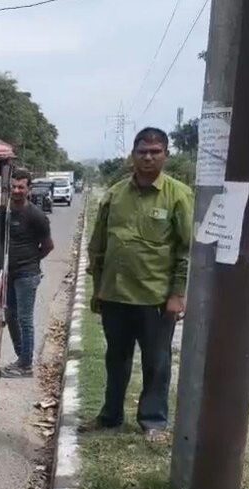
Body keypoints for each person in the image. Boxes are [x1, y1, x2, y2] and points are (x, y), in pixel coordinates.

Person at [82, 127, 193, 444]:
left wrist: (177, 294)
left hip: (155, 299)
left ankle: (153, 421)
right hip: (116, 294)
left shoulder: (179, 195)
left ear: (165, 156)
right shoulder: (115, 194)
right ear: (132, 154)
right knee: (115, 359)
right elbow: (98, 246)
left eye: (155, 151)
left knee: (156, 363)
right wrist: (98, 289)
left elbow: (186, 250)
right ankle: (110, 416)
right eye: (142, 151)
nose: (148, 157)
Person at [3, 169, 54, 378]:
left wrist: (31, 261)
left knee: (25, 319)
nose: (16, 190)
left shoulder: (36, 215)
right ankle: (21, 357)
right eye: (13, 186)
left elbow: (49, 246)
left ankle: (26, 366)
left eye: (21, 187)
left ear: (29, 189)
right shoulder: (5, 211)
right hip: (10, 273)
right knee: (10, 315)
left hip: (27, 275)